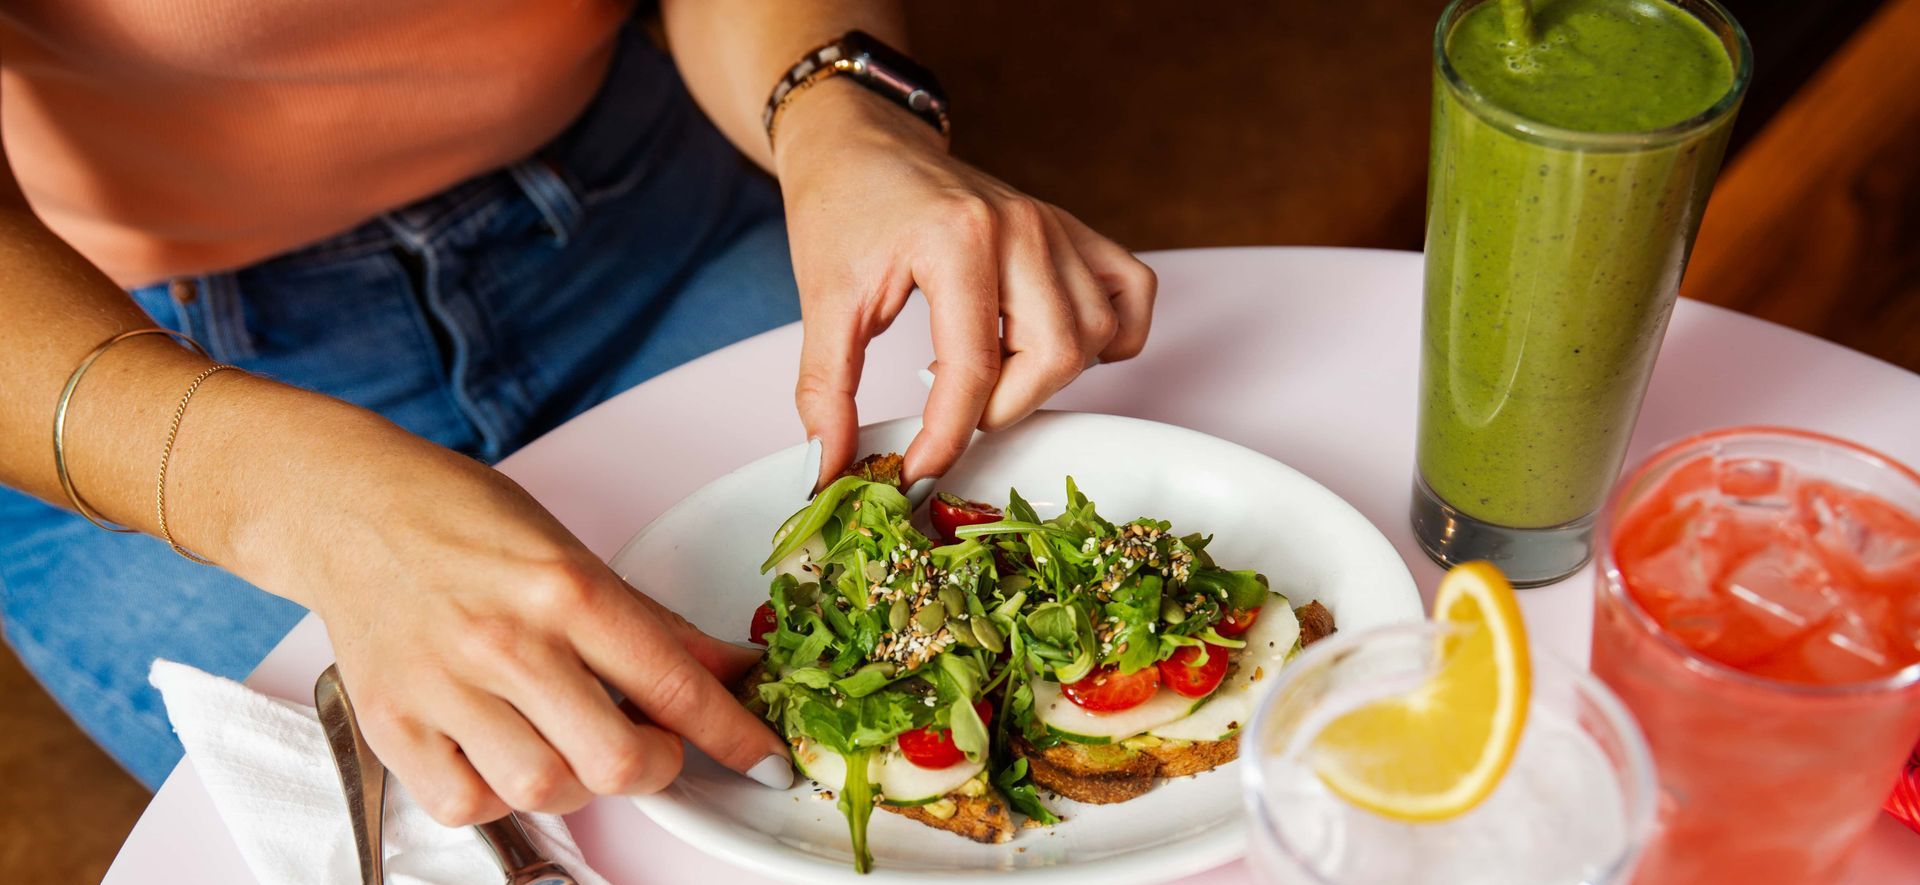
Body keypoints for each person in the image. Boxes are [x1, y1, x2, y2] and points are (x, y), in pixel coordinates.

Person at [0, 1, 1157, 826]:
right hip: (123, 367)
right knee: (490, 881)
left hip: (651, 208)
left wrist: (844, 114)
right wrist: (285, 497)